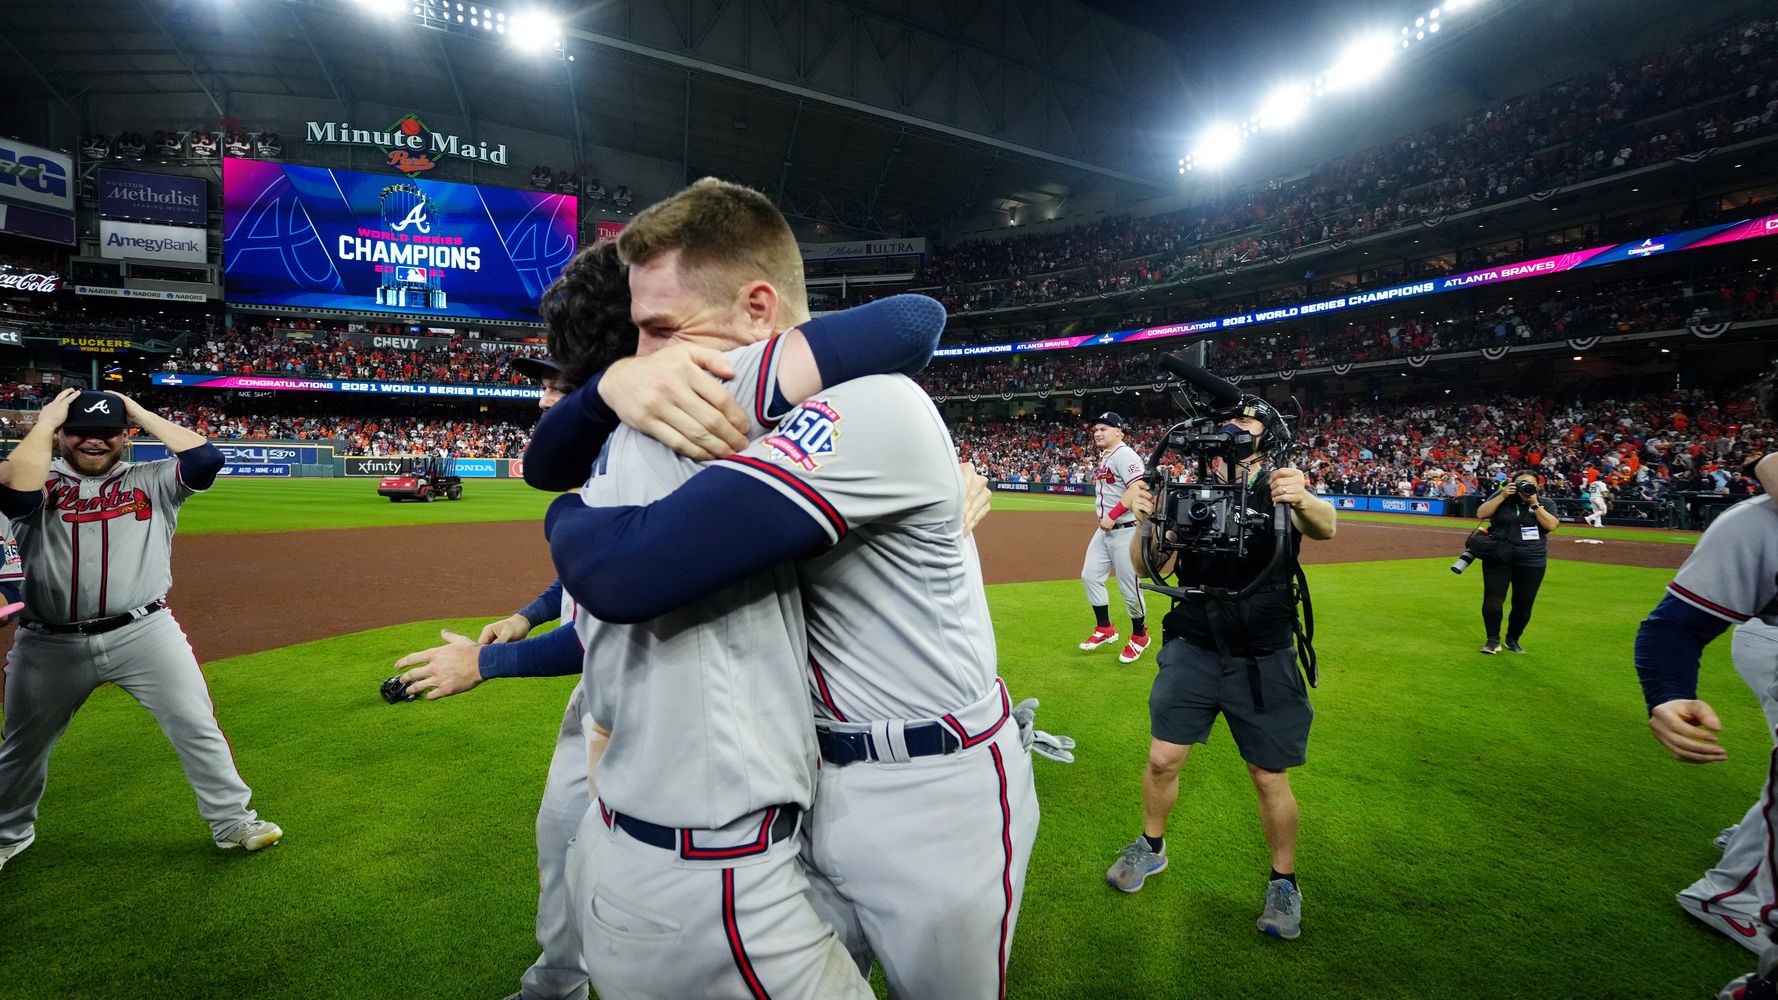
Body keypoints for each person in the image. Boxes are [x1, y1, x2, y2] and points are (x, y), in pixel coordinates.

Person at [541, 212, 1037, 996]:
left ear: (759, 311)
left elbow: (632, 567)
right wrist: (610, 385)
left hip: (934, 794)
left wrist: (564, 510)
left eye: (661, 331)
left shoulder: (874, 405)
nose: (647, 359)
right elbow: (559, 463)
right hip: (809, 786)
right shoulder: (742, 409)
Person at [0, 389, 281, 875]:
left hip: (145, 631)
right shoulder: (35, 477)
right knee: (23, 746)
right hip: (48, 641)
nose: (93, 441)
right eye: (81, 431)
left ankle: (232, 820)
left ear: (125, 436)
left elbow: (206, 457)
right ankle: (9, 834)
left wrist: (137, 411)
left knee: (196, 724)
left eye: (106, 432)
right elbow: (17, 495)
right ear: (61, 435)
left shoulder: (152, 477)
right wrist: (43, 423)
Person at [1104, 398, 1335, 941]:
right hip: (1195, 641)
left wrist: (1301, 496)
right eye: (1227, 421)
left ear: (1266, 433)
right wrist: (1143, 515)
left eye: (1246, 421)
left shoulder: (1278, 484)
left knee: (1267, 774)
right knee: (1162, 758)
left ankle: (1284, 881)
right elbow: (1147, 566)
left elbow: (1325, 528)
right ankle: (1151, 847)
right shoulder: (1187, 488)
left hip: (1262, 650)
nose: (1233, 428)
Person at [1079, 412, 1151, 663]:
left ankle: (1140, 635)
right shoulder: (1107, 455)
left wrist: (1113, 514)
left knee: (1129, 588)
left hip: (1127, 529)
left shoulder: (1125, 455)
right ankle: (1105, 628)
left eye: (1104, 429)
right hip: (1106, 531)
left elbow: (1137, 487)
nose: (1098, 432)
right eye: (1096, 428)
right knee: (1090, 576)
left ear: (1119, 432)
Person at [1472, 471, 1560, 654]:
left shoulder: (1546, 503)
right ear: (1512, 484)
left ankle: (1513, 638)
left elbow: (1551, 525)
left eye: (1530, 483)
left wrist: (1535, 505)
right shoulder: (1502, 497)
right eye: (1521, 483)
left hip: (1531, 558)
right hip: (1498, 556)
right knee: (1493, 599)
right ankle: (1492, 640)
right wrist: (1503, 495)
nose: (1525, 486)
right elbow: (1481, 513)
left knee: (1523, 604)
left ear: (1538, 486)